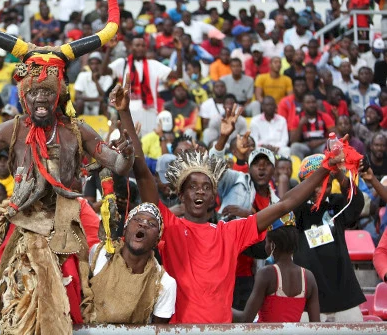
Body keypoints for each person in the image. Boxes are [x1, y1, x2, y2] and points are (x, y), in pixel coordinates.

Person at [0, 0, 133, 334]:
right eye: (35, 92)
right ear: (24, 93)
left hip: (71, 226)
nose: (41, 98)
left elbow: (118, 165)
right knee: (3, 303)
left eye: (48, 91)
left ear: (59, 93)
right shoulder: (11, 129)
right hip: (20, 223)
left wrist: (129, 148)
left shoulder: (77, 129)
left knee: (83, 301)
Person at [113, 77, 344, 323]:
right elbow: (143, 175)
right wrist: (125, 111)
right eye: (192, 187)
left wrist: (326, 166)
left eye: (206, 187)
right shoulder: (169, 225)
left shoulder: (230, 232)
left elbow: (285, 204)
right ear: (181, 195)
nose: (199, 192)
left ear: (215, 196)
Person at [293, 155, 366, 322]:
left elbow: (356, 202)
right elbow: (286, 206)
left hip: (344, 296)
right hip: (306, 300)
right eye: (314, 182)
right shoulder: (296, 209)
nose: (320, 187)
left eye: (325, 181)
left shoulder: (336, 203)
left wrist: (337, 171)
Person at [89, 203, 176, 324]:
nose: (143, 224)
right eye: (137, 219)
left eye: (151, 224)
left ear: (157, 240)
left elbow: (158, 330)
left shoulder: (164, 284)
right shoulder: (99, 254)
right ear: (125, 229)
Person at [233, 215, 320, 322]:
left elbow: (245, 319)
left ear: (272, 244)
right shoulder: (309, 277)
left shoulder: (267, 274)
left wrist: (222, 307)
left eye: (266, 241)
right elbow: (315, 325)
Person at [289, 93, 335, 160]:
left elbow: (334, 136)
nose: (311, 105)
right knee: (294, 147)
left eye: (313, 102)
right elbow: (293, 140)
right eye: (308, 103)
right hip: (305, 145)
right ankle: (299, 169)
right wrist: (300, 125)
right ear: (303, 105)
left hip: (321, 144)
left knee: (329, 147)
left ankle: (327, 169)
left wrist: (319, 142)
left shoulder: (324, 116)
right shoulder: (297, 118)